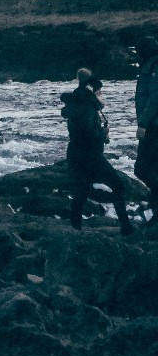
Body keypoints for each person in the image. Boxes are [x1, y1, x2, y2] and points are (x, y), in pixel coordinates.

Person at [62, 68, 135, 234]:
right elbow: (88, 133)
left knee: (81, 191)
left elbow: (79, 130)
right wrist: (103, 133)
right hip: (91, 156)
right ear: (92, 89)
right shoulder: (88, 106)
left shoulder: (75, 102)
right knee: (118, 185)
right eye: (99, 90)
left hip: (75, 153)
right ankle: (126, 226)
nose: (101, 94)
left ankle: (75, 228)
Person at [136, 37, 158, 196]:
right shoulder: (150, 65)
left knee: (144, 169)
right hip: (151, 124)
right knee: (146, 169)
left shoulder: (153, 66)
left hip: (153, 126)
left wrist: (143, 123)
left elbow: (154, 98)